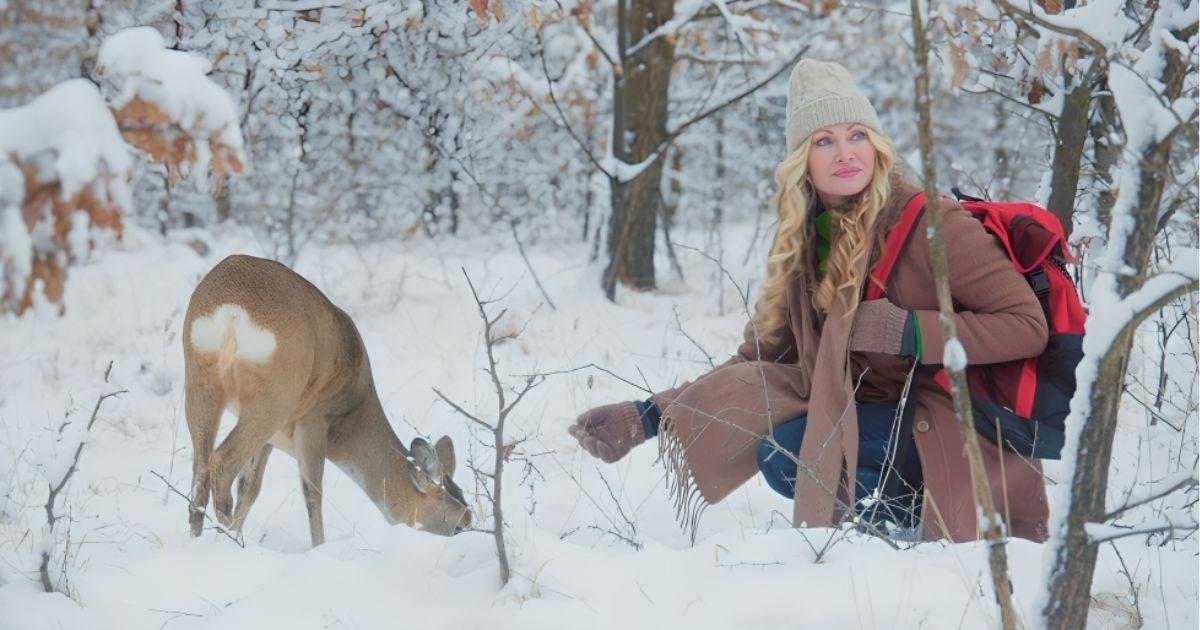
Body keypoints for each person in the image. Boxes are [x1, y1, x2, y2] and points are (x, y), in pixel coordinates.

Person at [568, 59, 1051, 543]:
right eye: (825, 141)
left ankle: (921, 518)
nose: (845, 154)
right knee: (785, 448)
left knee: (795, 449)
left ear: (877, 145)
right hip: (874, 413)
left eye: (856, 135)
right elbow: (755, 362)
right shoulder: (805, 245)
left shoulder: (934, 226)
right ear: (803, 159)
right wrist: (648, 416)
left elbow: (1027, 325)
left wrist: (909, 330)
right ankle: (885, 527)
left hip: (950, 421)